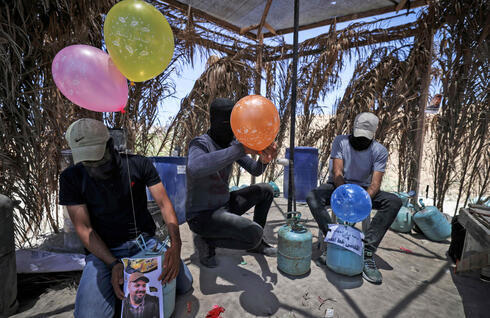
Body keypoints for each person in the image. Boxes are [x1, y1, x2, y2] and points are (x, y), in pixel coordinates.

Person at [59, 118, 193, 318]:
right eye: (87, 161)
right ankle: (114, 285)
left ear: (110, 145)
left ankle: (120, 286)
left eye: (98, 158)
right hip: (102, 253)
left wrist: (176, 245)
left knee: (184, 284)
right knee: (89, 315)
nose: (94, 167)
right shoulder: (71, 177)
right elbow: (84, 229)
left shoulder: (138, 164)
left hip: (143, 244)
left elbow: (165, 205)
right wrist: (113, 264)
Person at [306, 112, 401, 284]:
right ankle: (334, 241)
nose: (360, 141)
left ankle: (367, 252)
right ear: (352, 129)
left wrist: (360, 200)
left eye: (365, 138)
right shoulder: (340, 141)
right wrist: (345, 196)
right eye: (358, 136)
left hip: (364, 191)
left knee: (394, 201)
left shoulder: (380, 151)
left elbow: (375, 184)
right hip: (339, 186)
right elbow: (337, 173)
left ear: (373, 135)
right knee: (312, 197)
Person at [186, 98, 279, 268]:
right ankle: (207, 241)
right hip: (202, 216)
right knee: (253, 234)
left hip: (224, 204)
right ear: (217, 122)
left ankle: (257, 244)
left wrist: (263, 161)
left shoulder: (231, 143)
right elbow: (195, 168)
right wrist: (239, 149)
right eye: (230, 124)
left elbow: (255, 170)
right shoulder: (200, 144)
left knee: (266, 190)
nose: (233, 130)